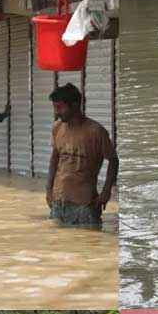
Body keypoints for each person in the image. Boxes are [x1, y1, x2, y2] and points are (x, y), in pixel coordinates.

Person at [47, 83, 118, 228]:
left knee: (87, 245)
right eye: (55, 107)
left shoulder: (96, 131)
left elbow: (113, 161)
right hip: (58, 203)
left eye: (60, 107)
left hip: (85, 205)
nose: (56, 112)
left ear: (74, 105)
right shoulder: (57, 128)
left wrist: (106, 193)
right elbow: (54, 159)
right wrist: (48, 190)